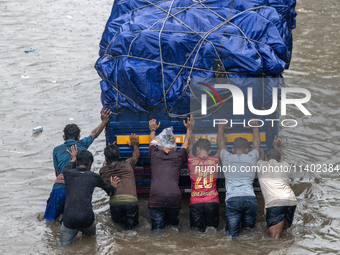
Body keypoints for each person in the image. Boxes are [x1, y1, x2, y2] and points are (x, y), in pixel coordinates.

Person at [43, 109, 112, 221]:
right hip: (75, 189)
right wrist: (104, 121)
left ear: (64, 137)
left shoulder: (56, 150)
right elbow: (94, 134)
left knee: (49, 220)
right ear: (78, 137)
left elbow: (57, 174)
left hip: (59, 188)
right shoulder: (82, 144)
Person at [60, 145, 120, 246]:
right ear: (90, 163)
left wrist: (74, 157)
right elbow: (110, 191)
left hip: (69, 219)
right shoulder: (94, 177)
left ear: (77, 162)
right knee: (91, 241)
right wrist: (113, 186)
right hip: (87, 219)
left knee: (63, 247)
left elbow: (69, 165)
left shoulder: (67, 172)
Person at [218, 119, 260, 239]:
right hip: (250, 199)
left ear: (232, 149)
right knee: (249, 234)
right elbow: (256, 144)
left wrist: (221, 128)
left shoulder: (226, 158)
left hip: (233, 199)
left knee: (231, 236)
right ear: (248, 150)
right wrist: (255, 127)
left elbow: (221, 143)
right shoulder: (252, 157)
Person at [148, 117, 191, 231]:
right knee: (173, 229)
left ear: (160, 145)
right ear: (174, 145)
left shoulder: (154, 154)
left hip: (156, 198)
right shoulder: (178, 156)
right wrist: (189, 128)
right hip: (174, 198)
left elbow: (152, 143)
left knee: (157, 232)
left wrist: (153, 129)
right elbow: (186, 142)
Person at [257, 136, 297, 239]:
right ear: (279, 159)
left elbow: (260, 158)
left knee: (275, 237)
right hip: (291, 200)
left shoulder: (261, 166)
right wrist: (276, 147)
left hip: (275, 202)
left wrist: (261, 152)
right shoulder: (285, 166)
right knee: (285, 231)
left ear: (266, 158)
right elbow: (281, 159)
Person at [99, 134, 140, 230]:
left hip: (115, 203)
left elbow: (105, 165)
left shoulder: (103, 171)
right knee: (131, 230)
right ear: (119, 155)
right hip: (131, 202)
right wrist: (135, 145)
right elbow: (136, 155)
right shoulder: (127, 164)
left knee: (118, 229)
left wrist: (109, 151)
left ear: (106, 158)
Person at [187, 116, 221, 232]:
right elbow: (221, 147)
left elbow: (188, 146)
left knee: (196, 234)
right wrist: (221, 128)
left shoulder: (191, 160)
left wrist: (190, 128)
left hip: (196, 202)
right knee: (212, 232)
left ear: (197, 148)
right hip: (212, 201)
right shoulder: (216, 160)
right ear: (210, 151)